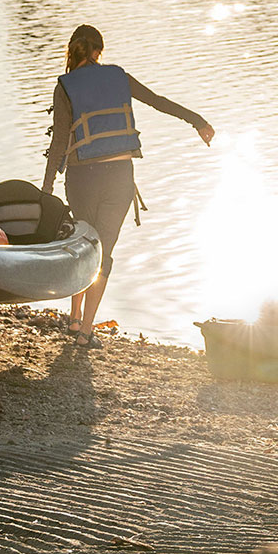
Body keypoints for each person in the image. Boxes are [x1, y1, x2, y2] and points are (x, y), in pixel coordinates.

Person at [43, 25, 212, 338]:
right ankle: (86, 331)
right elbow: (158, 101)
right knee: (103, 252)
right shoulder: (118, 76)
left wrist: (47, 188)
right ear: (98, 52)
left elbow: (59, 143)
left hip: (82, 178)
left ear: (73, 52)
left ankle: (75, 318)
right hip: (120, 176)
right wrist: (197, 121)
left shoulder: (64, 86)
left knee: (83, 244)